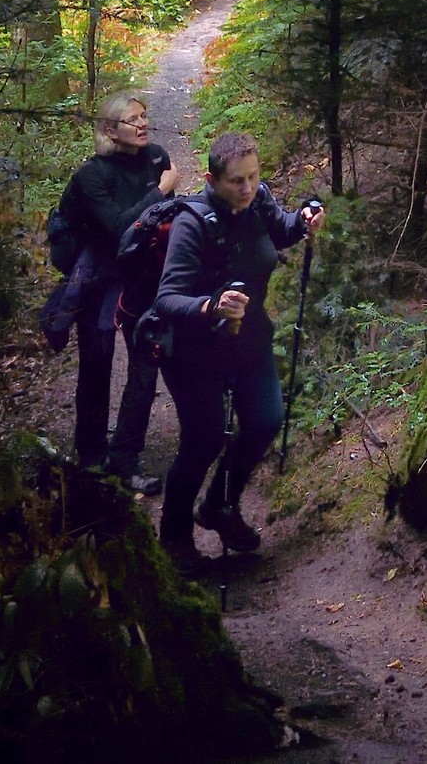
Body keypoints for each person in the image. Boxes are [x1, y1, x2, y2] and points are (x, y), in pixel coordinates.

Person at [154, 129, 323, 565]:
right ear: (212, 180)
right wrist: (212, 305)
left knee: (266, 419)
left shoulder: (258, 200)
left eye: (253, 177)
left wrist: (304, 218)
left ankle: (219, 506)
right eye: (236, 181)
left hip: (248, 338)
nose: (247, 188)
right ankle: (174, 536)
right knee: (204, 439)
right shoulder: (191, 223)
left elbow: (281, 230)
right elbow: (167, 298)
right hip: (192, 349)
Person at [63, 91, 176, 493]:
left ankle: (125, 458)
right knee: (97, 365)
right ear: (110, 130)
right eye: (132, 119)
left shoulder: (157, 158)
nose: (143, 123)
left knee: (146, 364)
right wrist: (159, 193)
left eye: (145, 116)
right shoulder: (91, 176)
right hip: (99, 281)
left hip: (142, 278)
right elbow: (118, 228)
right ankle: (91, 457)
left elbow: (163, 223)